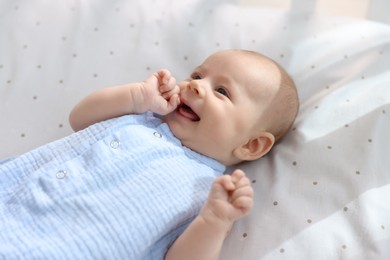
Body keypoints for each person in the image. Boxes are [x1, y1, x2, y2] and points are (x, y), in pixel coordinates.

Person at [0, 49, 299, 259]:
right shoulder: (144, 116)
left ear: (252, 145)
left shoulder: (210, 193)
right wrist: (136, 97)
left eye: (222, 92)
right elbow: (80, 118)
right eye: (197, 74)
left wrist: (215, 219)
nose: (195, 86)